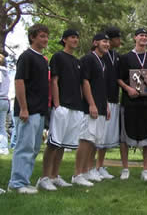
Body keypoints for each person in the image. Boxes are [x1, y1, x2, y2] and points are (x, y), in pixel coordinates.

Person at [37, 29, 83, 191]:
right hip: (61, 105)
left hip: (75, 107)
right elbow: (54, 81)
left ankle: (54, 176)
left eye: (77, 37)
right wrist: (57, 104)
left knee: (62, 143)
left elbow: (79, 85)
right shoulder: (58, 57)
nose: (75, 40)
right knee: (53, 143)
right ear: (64, 40)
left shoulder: (77, 61)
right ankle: (44, 177)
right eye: (72, 37)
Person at [8, 24, 49, 194]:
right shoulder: (26, 57)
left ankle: (24, 180)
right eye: (41, 36)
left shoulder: (42, 59)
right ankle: (16, 183)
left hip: (39, 111)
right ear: (32, 37)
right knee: (24, 147)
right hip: (27, 111)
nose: (45, 39)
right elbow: (19, 82)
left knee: (32, 149)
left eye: (46, 36)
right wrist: (24, 108)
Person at [118, 28, 147, 181]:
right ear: (135, 38)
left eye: (146, 36)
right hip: (129, 103)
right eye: (141, 35)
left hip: (146, 103)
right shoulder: (126, 57)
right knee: (125, 137)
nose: (144, 38)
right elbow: (119, 78)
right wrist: (128, 88)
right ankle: (125, 168)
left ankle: (145, 170)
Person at [72, 33, 110, 186]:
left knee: (94, 141)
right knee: (86, 139)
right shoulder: (88, 59)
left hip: (101, 106)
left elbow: (102, 86)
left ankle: (87, 170)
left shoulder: (103, 61)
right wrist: (92, 104)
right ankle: (77, 174)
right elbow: (85, 82)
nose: (107, 44)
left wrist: (105, 105)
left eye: (108, 42)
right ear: (95, 43)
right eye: (104, 41)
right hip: (90, 106)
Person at [95, 27, 121, 179]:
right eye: (118, 38)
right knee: (97, 136)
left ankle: (100, 166)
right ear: (111, 39)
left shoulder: (116, 56)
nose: (120, 41)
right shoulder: (100, 55)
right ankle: (90, 167)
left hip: (114, 99)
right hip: (101, 100)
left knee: (105, 138)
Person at [0, 53, 10, 156]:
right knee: (2, 126)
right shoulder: (6, 73)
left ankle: (2, 147)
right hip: (5, 100)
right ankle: (4, 147)